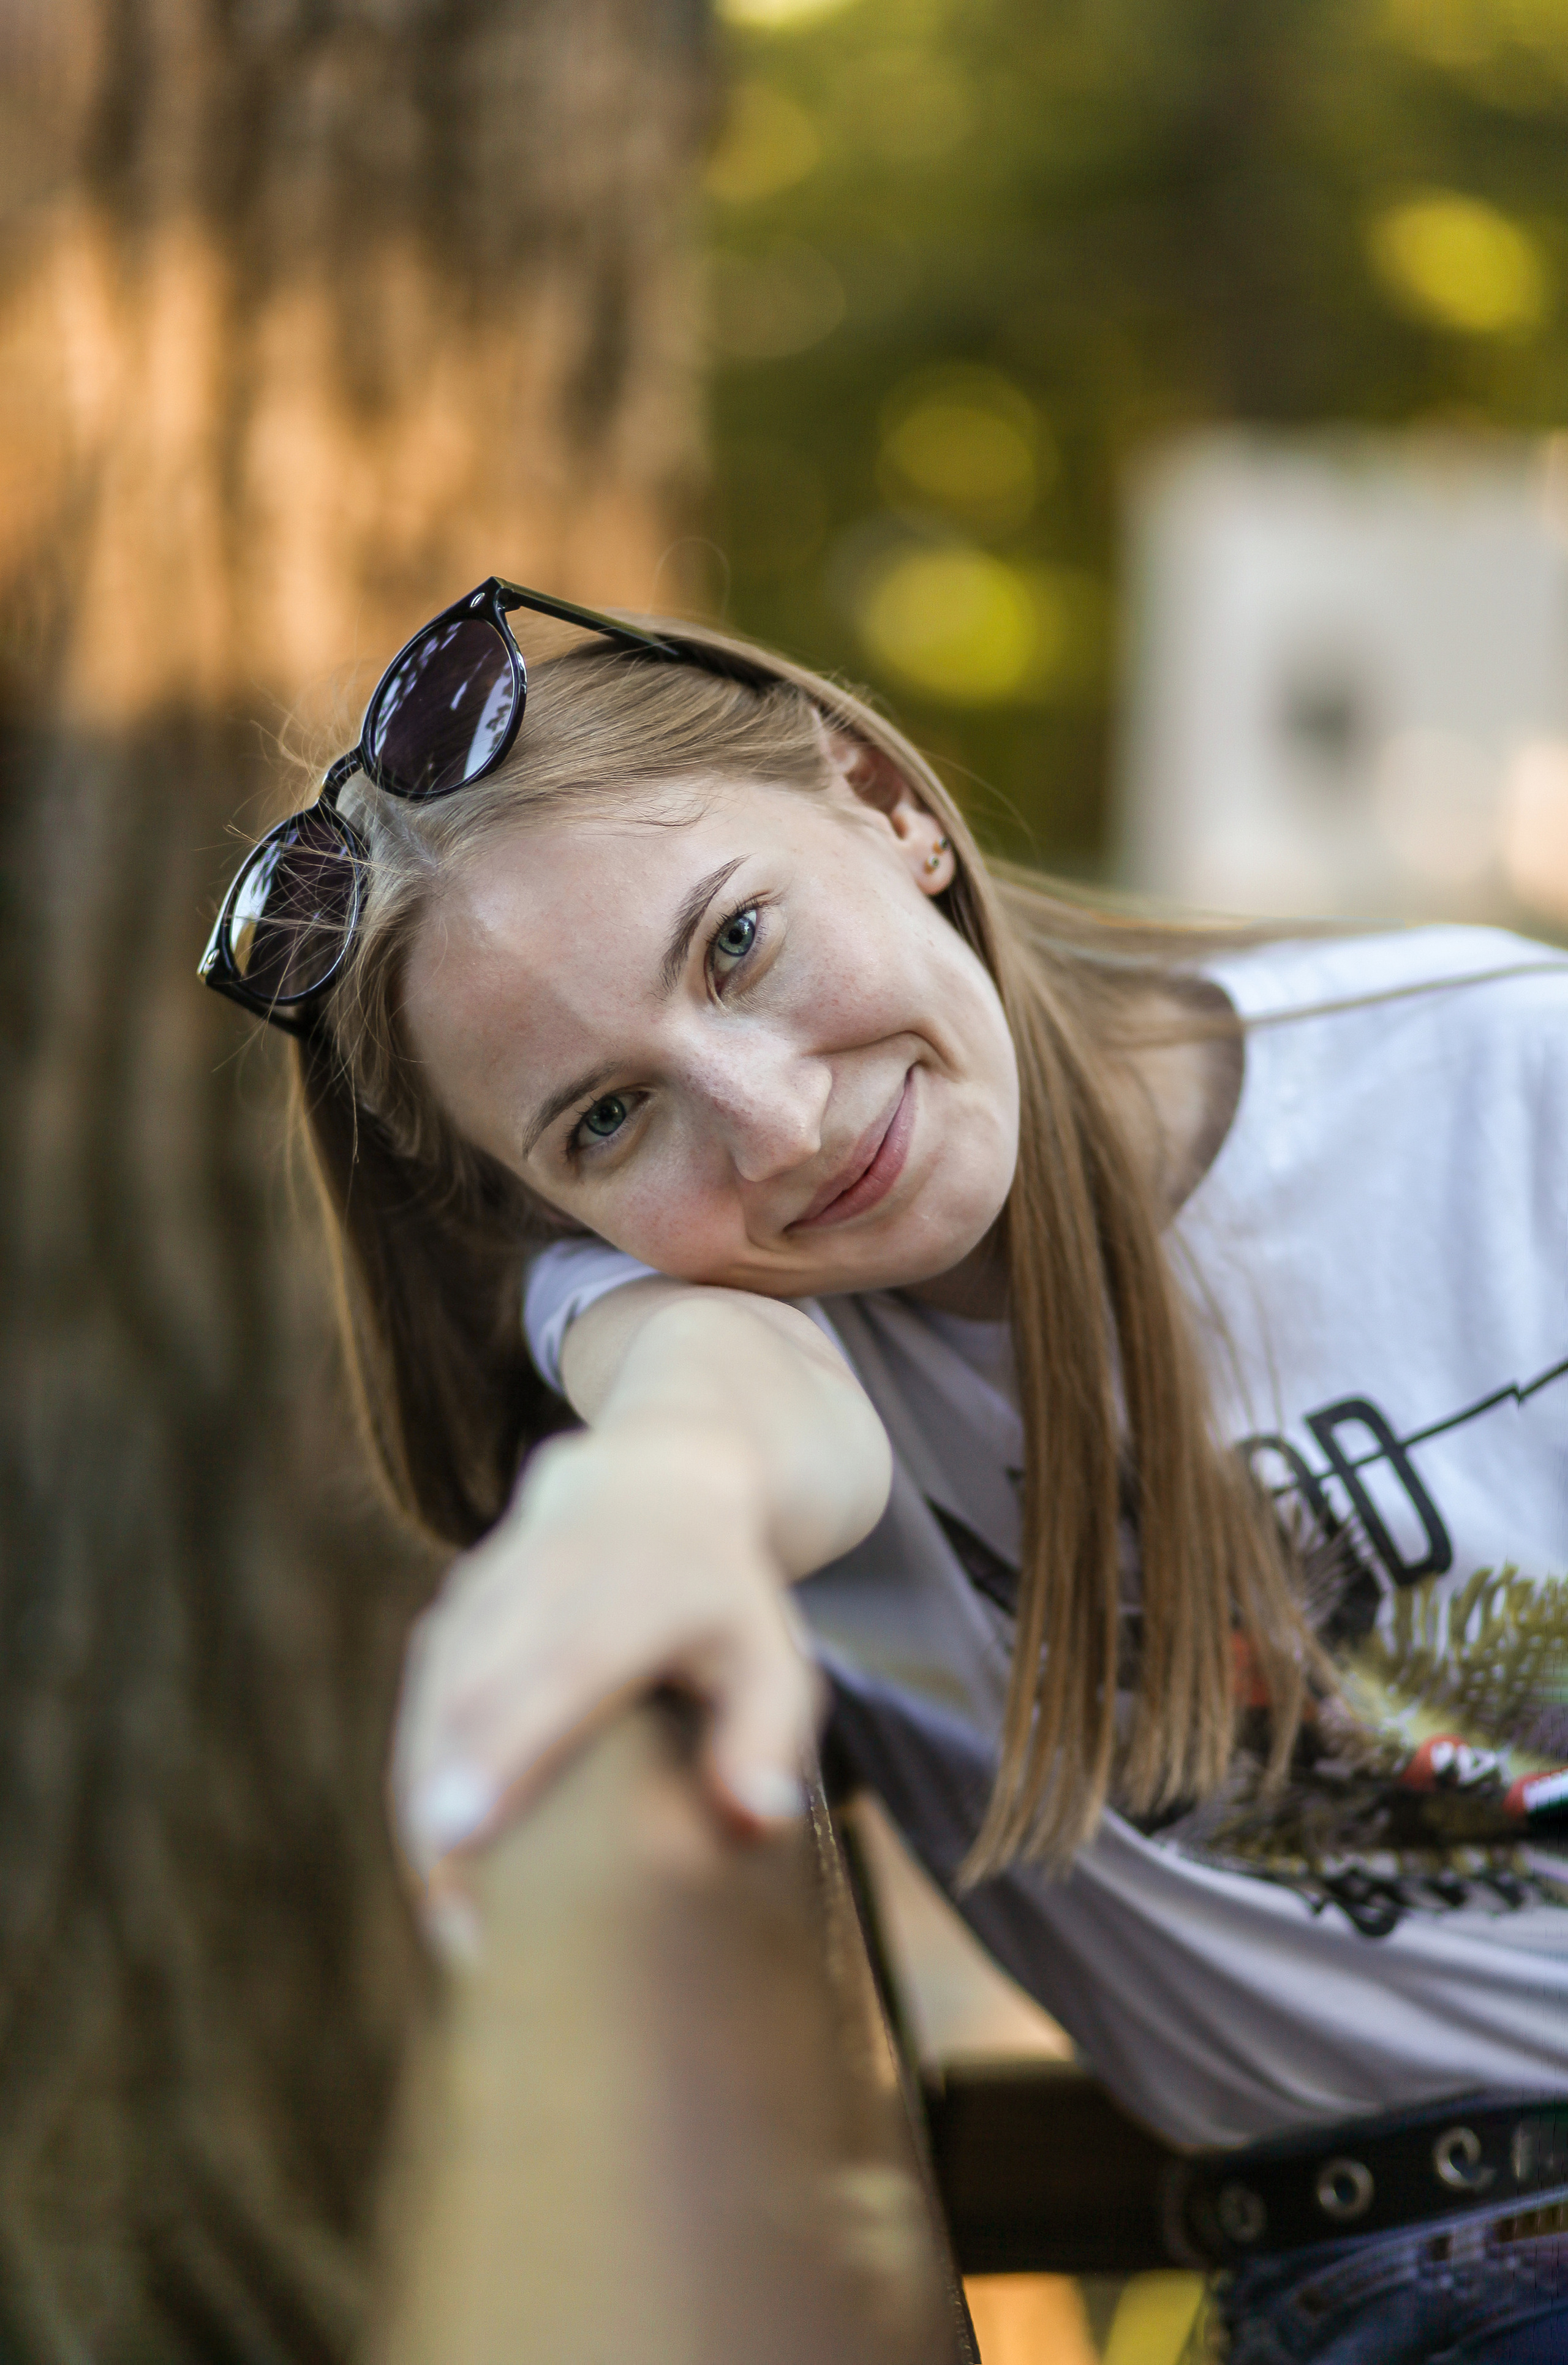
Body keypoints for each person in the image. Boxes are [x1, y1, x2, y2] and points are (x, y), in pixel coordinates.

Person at [202, 579, 1568, 2363]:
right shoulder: (693, 1310)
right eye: (608, 1117)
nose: (773, 1124)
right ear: (553, 1207)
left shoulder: (1492, 1078)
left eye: (737, 945)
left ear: (887, 803)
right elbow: (734, 1408)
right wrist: (663, 1505)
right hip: (1422, 2283)